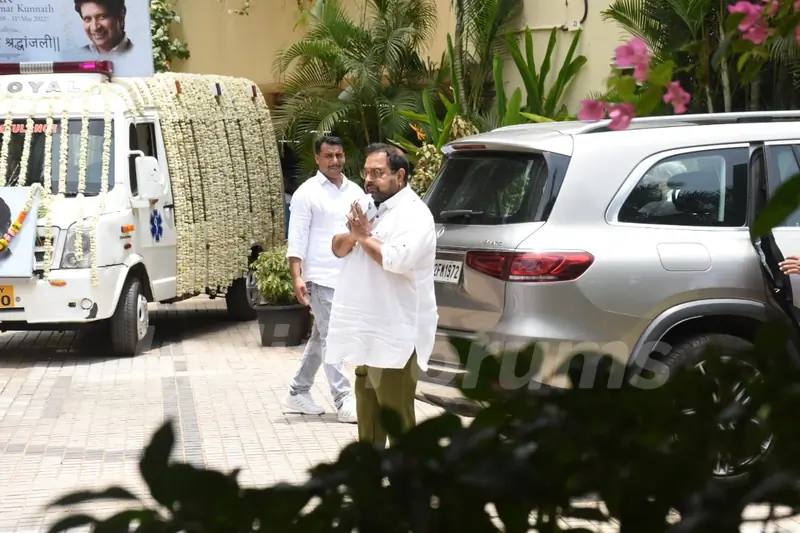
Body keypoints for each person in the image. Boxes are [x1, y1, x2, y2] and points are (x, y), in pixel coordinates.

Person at [326, 143, 438, 448]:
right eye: (366, 173)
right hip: (366, 332)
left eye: (378, 173)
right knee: (368, 420)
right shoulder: (364, 205)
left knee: (398, 419)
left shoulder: (415, 214)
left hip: (396, 335)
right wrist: (354, 235)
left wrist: (362, 237)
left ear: (400, 175)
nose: (369, 179)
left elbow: (396, 260)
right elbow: (337, 247)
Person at [284, 135, 361, 423]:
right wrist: (297, 276)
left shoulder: (354, 190)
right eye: (328, 156)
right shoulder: (307, 193)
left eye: (339, 155)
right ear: (317, 158)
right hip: (320, 277)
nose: (335, 161)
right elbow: (297, 237)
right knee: (332, 337)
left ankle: (297, 391)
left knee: (321, 337)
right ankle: (344, 400)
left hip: (348, 277)